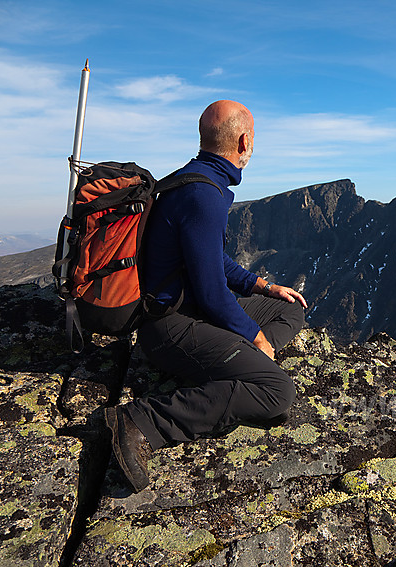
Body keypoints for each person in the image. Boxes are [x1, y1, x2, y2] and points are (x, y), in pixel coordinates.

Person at [104, 100, 307, 493]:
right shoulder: (204, 196)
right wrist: (255, 336)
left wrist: (262, 287)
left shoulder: (192, 180)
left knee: (288, 307)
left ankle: (242, 364)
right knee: (278, 393)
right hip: (169, 327)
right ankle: (141, 421)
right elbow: (214, 295)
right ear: (244, 141)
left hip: (188, 309)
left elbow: (210, 259)